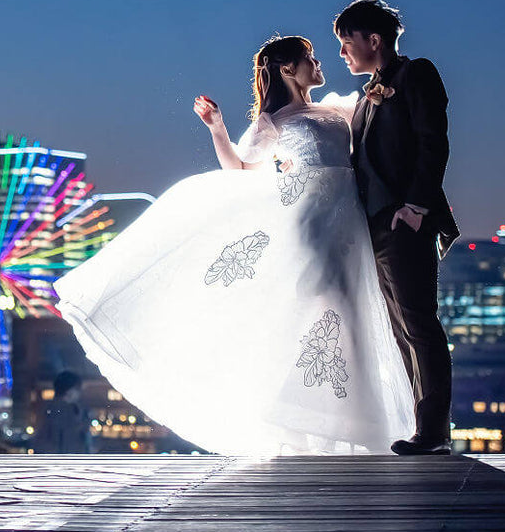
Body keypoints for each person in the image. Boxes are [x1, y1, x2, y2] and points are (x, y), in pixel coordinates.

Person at [54, 34, 415, 455]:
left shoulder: (336, 107)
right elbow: (241, 168)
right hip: (313, 223)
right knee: (332, 312)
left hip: (351, 222)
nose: (319, 63)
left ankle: (336, 420)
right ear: (287, 69)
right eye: (310, 58)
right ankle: (308, 419)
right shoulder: (273, 122)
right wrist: (218, 129)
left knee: (349, 314)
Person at [334, 0, 457, 455]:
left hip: (405, 222)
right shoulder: (368, 95)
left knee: (420, 324)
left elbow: (432, 143)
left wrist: (417, 207)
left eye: (347, 43)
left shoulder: (414, 74)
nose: (343, 53)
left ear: (374, 39)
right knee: (401, 328)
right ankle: (420, 424)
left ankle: (433, 433)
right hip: (374, 228)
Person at [34, 370, 93, 454]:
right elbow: (68, 442)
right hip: (64, 462)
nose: (79, 393)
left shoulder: (48, 409)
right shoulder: (68, 411)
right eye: (77, 389)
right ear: (69, 391)